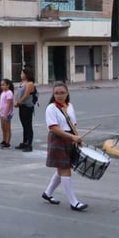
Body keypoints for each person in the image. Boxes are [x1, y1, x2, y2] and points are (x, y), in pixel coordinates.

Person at [41, 82, 87, 211]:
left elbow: (73, 125)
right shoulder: (51, 108)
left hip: (69, 139)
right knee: (65, 169)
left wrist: (77, 138)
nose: (60, 95)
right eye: (56, 93)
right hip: (58, 140)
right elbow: (54, 128)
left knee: (61, 169)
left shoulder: (70, 106)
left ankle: (48, 193)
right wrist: (72, 137)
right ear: (53, 94)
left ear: (67, 93)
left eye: (62, 93)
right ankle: (74, 202)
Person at [14, 68, 37, 152]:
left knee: (28, 125)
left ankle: (29, 144)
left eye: (22, 73)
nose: (21, 75)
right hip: (21, 106)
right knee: (24, 125)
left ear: (26, 74)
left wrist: (19, 102)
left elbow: (26, 95)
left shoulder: (30, 84)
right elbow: (18, 94)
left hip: (27, 106)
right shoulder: (22, 83)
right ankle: (25, 142)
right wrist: (16, 101)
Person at [0, 78, 14, 148]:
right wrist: (0, 112)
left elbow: (8, 104)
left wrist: (6, 113)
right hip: (2, 113)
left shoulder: (9, 93)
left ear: (8, 85)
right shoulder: (2, 93)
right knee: (3, 127)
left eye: (3, 85)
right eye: (1, 85)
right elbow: (1, 104)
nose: (2, 86)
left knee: (7, 128)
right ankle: (4, 139)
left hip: (7, 114)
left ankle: (7, 142)